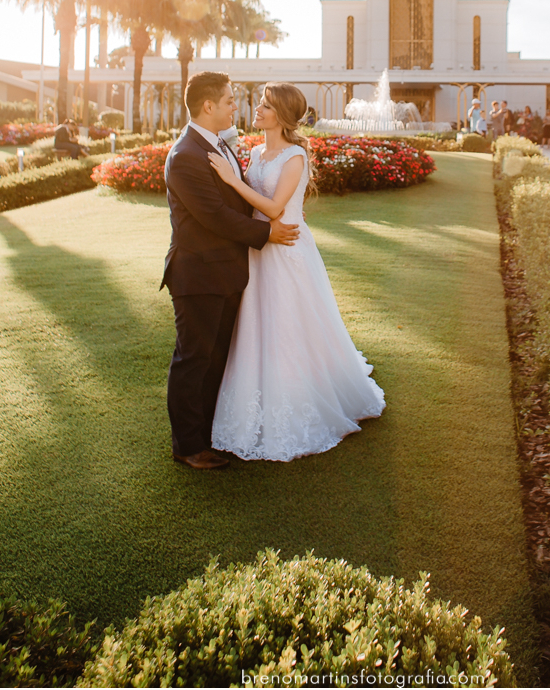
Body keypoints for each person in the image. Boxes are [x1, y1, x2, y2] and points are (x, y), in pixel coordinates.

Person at [208, 81, 385, 461]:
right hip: (259, 247)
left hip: (286, 249)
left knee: (288, 325)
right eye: (260, 103)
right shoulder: (256, 152)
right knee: (257, 324)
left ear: (284, 115)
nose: (258, 109)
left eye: (267, 105)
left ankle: (300, 397)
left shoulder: (295, 156)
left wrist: (231, 180)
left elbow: (274, 208)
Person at [162, 72, 300, 471]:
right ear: (209, 106)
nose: (235, 106)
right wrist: (268, 232)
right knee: (194, 360)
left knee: (215, 359)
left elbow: (237, 201)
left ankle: (207, 435)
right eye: (228, 101)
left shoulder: (217, 144)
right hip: (199, 275)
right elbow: (215, 216)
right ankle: (188, 446)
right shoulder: (186, 155)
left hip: (225, 272)